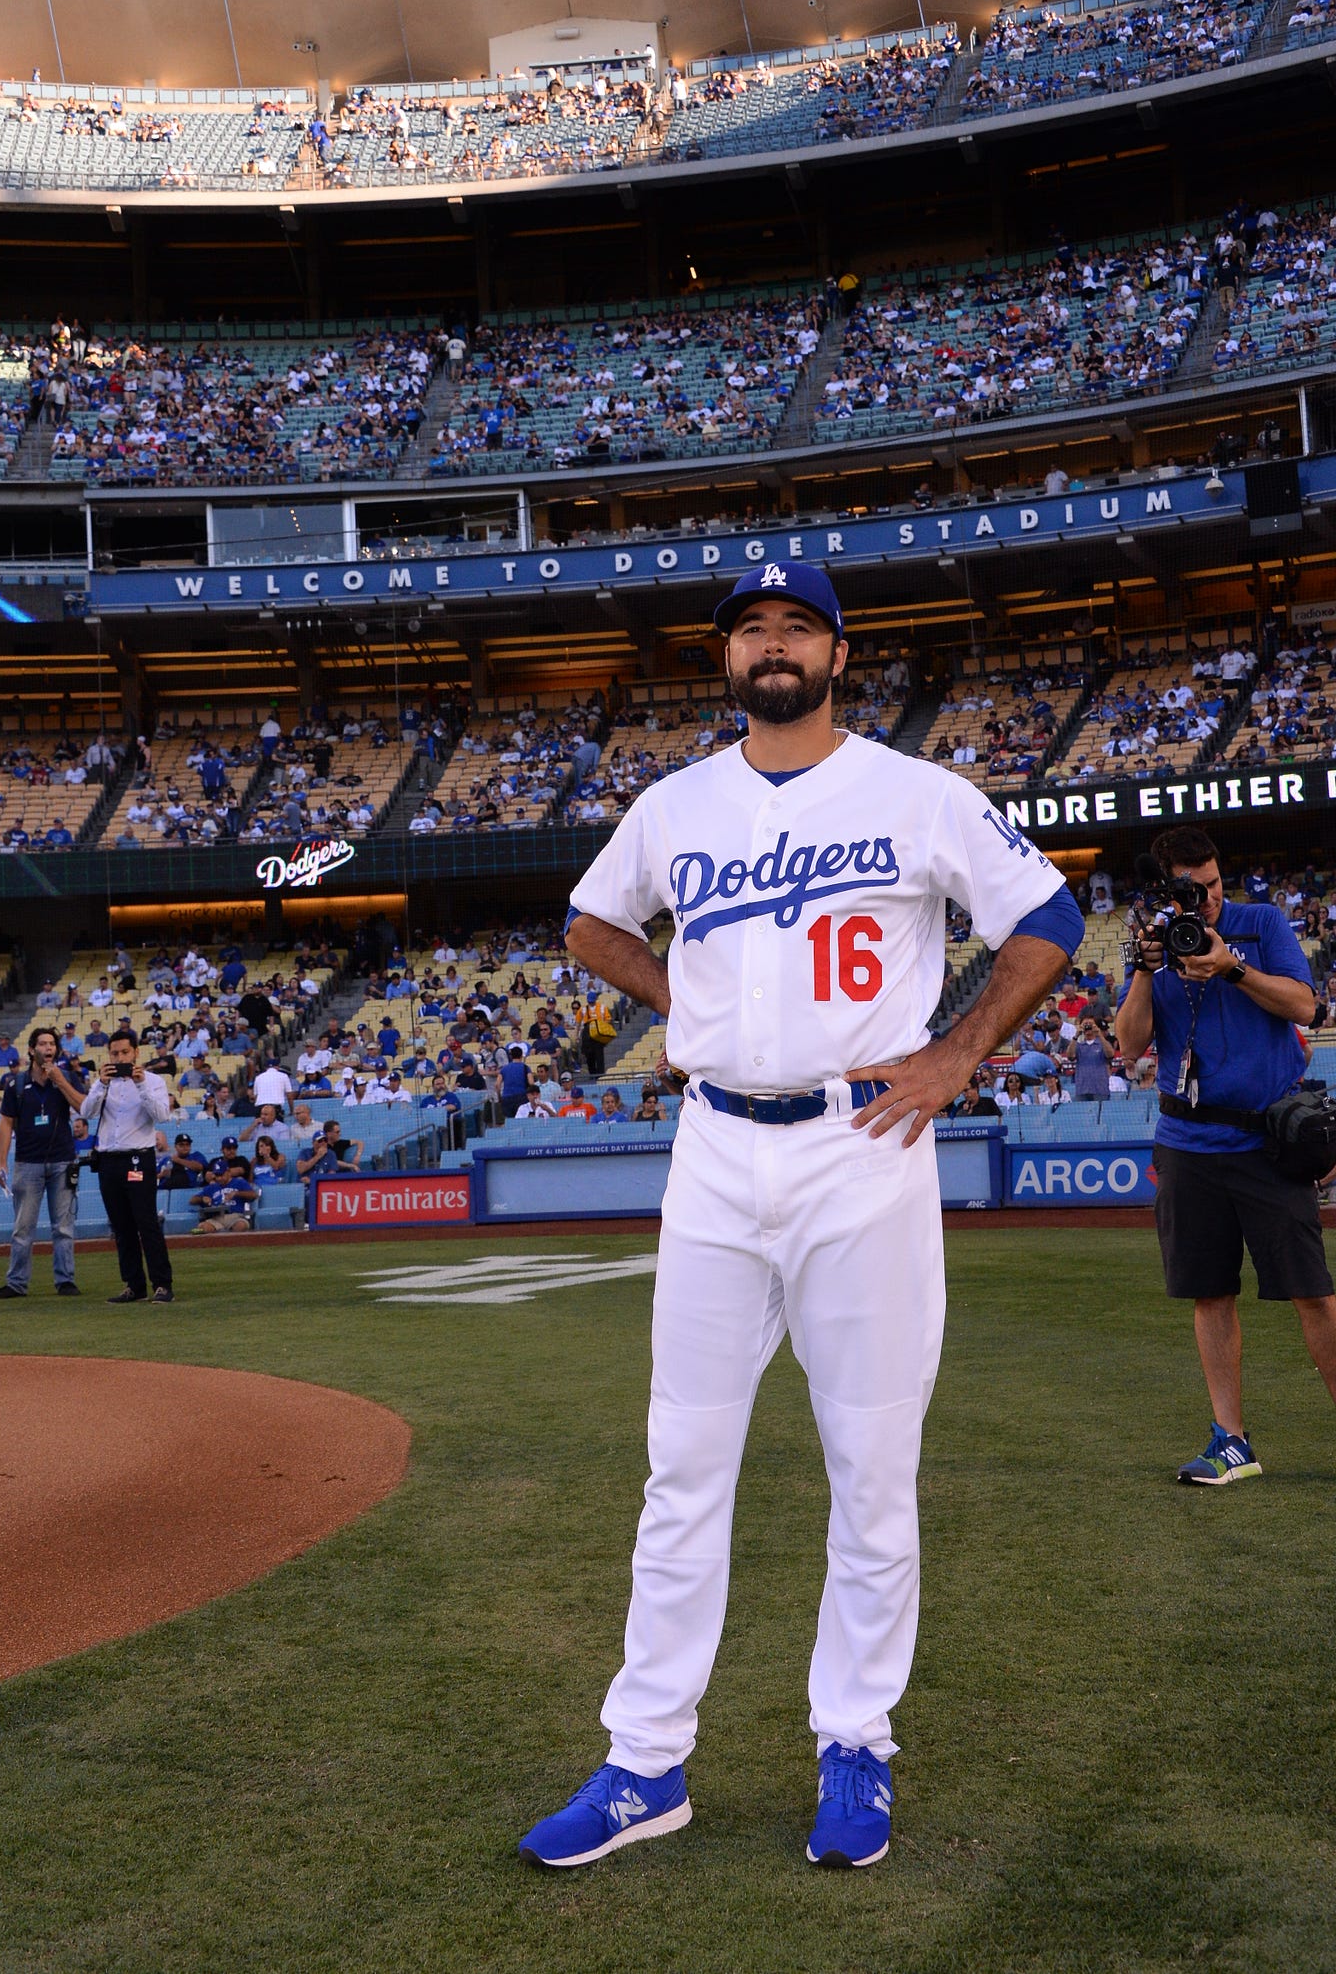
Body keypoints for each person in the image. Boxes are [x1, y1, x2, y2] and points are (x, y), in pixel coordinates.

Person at [519, 561, 1081, 1871]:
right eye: (750, 629)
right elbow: (588, 919)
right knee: (681, 1469)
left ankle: (857, 1742)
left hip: (860, 1144)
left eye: (797, 626)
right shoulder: (676, 803)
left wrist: (958, 1054)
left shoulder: (916, 791)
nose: (772, 645)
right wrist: (688, 997)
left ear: (840, 652)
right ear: (725, 659)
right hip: (714, 1146)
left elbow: (1047, 914)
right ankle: (644, 1762)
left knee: (870, 1471)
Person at [1115, 826, 1336, 1488]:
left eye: (1217, 884)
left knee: (1313, 1291)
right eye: (1198, 891)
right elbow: (1129, 1043)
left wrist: (1233, 967)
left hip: (1266, 1140)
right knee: (1210, 1294)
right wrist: (1144, 968)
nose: (1212, 900)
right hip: (1189, 1144)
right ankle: (1231, 1441)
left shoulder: (1260, 922)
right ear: (1170, 888)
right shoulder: (1155, 947)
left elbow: (1306, 1005)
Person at [0, 1027, 87, 1299]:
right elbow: (6, 1123)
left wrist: (61, 1082)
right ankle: (16, 1283)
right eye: (42, 1044)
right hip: (27, 1162)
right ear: (32, 1050)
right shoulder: (16, 1084)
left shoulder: (66, 1077)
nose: (48, 1048)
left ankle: (65, 1280)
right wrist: (1, 1162)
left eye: (52, 1044)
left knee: (63, 1226)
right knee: (23, 1228)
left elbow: (83, 1107)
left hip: (62, 1160)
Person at [78, 1032, 177, 1304]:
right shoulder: (103, 1083)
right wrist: (100, 1083)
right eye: (114, 1054)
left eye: (124, 1053)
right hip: (109, 1160)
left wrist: (141, 1083)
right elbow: (86, 1112)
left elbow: (162, 1115)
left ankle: (162, 1284)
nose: (119, 1058)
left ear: (135, 1053)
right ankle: (134, 1285)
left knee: (146, 1222)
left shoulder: (153, 1081)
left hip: (138, 1158)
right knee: (121, 1226)